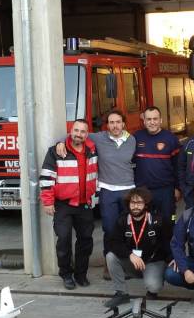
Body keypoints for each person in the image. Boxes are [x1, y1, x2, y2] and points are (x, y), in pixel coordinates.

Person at [57, 109, 136, 281]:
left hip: (128, 190)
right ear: (107, 125)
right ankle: (110, 266)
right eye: (111, 122)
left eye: (118, 122)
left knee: (128, 229)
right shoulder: (98, 138)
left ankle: (127, 265)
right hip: (107, 190)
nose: (115, 125)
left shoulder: (132, 140)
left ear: (123, 123)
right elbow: (76, 136)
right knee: (109, 229)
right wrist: (61, 142)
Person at [40, 119, 98, 290]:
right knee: (64, 239)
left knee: (85, 241)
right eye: (76, 130)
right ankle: (66, 274)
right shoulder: (56, 152)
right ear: (70, 131)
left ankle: (81, 274)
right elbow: (46, 178)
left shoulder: (93, 150)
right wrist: (48, 202)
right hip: (63, 205)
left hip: (84, 204)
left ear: (87, 134)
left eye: (82, 131)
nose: (78, 134)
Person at [103, 187, 170, 308]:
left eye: (139, 203)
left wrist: (171, 260)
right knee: (110, 256)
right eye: (132, 203)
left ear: (146, 204)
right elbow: (113, 242)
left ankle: (153, 285)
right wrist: (130, 255)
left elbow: (168, 243)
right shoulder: (122, 220)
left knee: (153, 286)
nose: (135, 206)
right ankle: (121, 293)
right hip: (132, 262)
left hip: (152, 262)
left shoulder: (158, 220)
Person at [133, 106, 181, 224]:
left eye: (155, 119)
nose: (152, 122)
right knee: (144, 225)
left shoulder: (171, 139)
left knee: (167, 224)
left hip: (165, 191)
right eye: (149, 119)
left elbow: (178, 166)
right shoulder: (135, 138)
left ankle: (168, 243)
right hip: (142, 191)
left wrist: (178, 188)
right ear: (144, 121)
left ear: (161, 120)